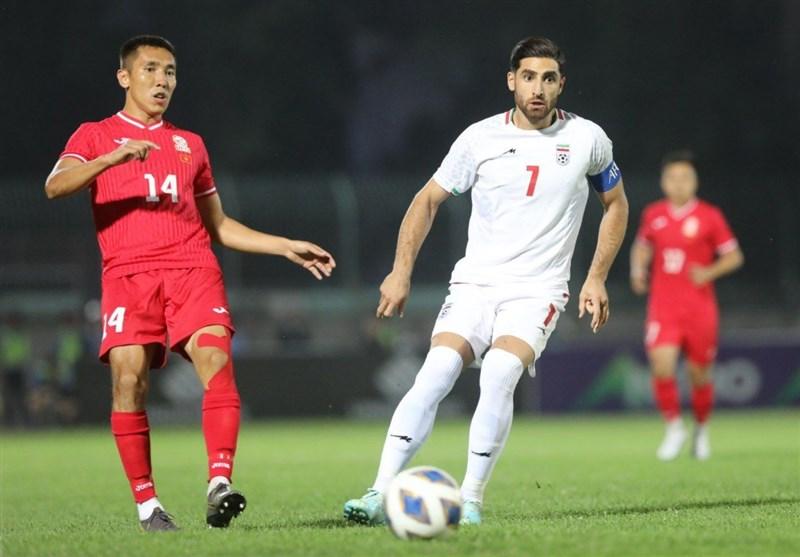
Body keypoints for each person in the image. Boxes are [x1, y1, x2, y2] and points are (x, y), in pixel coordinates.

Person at [45, 35, 335, 531]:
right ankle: (149, 506)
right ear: (124, 77)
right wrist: (111, 160)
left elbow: (217, 225)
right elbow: (55, 186)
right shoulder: (94, 135)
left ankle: (219, 482)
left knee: (215, 358)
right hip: (127, 274)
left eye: (171, 72)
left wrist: (283, 245)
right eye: (151, 69)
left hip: (192, 268)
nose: (162, 81)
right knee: (129, 380)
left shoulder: (190, 145)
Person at [343, 36, 628, 526]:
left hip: (538, 289)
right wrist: (400, 271)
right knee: (435, 372)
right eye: (528, 77)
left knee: (498, 372)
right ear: (511, 80)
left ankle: (470, 498)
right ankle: (378, 491)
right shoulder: (479, 139)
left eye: (548, 79)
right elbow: (426, 200)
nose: (537, 88)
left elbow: (616, 204)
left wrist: (596, 278)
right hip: (476, 283)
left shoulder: (588, 139)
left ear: (561, 84)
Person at [630, 150, 743, 461]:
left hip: (699, 308)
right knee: (661, 364)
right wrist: (638, 270)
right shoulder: (653, 214)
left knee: (699, 374)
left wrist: (709, 272)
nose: (678, 183)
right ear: (663, 181)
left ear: (695, 181)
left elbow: (734, 256)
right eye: (673, 177)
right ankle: (674, 427)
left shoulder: (709, 215)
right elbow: (641, 246)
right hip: (663, 306)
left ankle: (701, 430)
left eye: (685, 177)